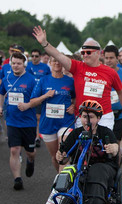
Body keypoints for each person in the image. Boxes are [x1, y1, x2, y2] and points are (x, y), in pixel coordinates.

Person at [32, 26, 122, 131]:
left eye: (88, 52)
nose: (85, 55)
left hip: (104, 117)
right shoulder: (77, 67)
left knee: (103, 147)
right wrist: (44, 43)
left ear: (98, 53)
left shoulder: (110, 72)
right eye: (83, 53)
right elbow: (58, 55)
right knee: (83, 147)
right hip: (82, 117)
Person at [55, 100, 119, 204]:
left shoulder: (105, 132)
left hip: (104, 166)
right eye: (84, 117)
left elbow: (115, 148)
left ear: (98, 118)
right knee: (69, 173)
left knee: (96, 170)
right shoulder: (76, 134)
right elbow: (64, 155)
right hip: (80, 166)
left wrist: (113, 148)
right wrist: (60, 156)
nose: (87, 120)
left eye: (91, 117)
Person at [18, 56, 75, 171]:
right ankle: (60, 178)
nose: (57, 63)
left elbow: (76, 98)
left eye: (59, 61)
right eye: (54, 61)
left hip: (66, 122)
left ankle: (63, 187)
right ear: (50, 63)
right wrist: (46, 95)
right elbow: (33, 102)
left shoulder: (70, 81)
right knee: (55, 157)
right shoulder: (43, 81)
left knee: (63, 155)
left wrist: (74, 105)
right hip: (48, 124)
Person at [0, 52, 37, 190]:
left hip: (28, 122)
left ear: (24, 65)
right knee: (14, 150)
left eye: (19, 63)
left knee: (30, 152)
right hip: (12, 120)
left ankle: (31, 160)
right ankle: (17, 179)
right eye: (13, 63)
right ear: (10, 64)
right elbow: (1, 93)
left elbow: (36, 99)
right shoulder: (6, 78)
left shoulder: (31, 80)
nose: (16, 66)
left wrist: (28, 105)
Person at [27, 48, 52, 148]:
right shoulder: (27, 66)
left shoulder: (45, 67)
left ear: (40, 57)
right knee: (29, 117)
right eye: (32, 56)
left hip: (40, 95)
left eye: (36, 56)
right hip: (29, 94)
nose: (34, 58)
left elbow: (49, 79)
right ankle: (30, 135)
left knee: (38, 117)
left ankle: (37, 137)